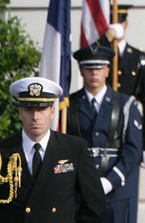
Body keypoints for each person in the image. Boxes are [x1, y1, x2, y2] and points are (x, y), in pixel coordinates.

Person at [0, 76, 105, 221]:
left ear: (52, 112)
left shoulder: (73, 149)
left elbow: (94, 204)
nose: (35, 117)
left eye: (42, 109)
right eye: (29, 109)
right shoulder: (4, 150)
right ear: (20, 112)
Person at [67, 46, 143, 223]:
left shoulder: (125, 105)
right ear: (81, 70)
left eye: (99, 68)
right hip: (81, 192)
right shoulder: (69, 105)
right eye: (89, 68)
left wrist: (111, 181)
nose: (94, 73)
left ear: (108, 70)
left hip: (116, 193)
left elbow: (133, 151)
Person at [95, 5, 145, 223]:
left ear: (125, 24)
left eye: (118, 23)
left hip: (128, 126)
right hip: (101, 124)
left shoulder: (139, 58)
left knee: (126, 199)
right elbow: (87, 56)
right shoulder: (100, 55)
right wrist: (106, 37)